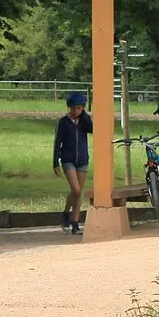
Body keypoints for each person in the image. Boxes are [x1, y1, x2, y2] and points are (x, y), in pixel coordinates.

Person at [54, 91, 94, 236]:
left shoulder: (84, 121)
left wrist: (85, 117)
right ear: (69, 107)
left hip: (82, 159)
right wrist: (55, 162)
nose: (76, 111)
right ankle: (66, 212)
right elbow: (58, 142)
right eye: (73, 108)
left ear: (83, 108)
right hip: (68, 159)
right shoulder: (63, 122)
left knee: (78, 193)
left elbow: (94, 129)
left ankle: (75, 223)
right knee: (76, 190)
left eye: (79, 108)